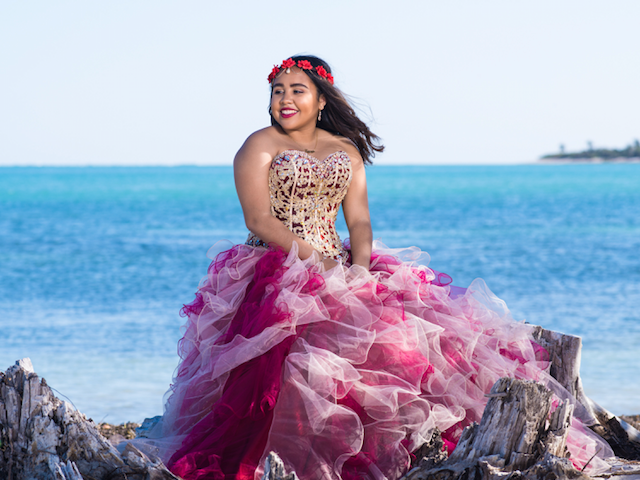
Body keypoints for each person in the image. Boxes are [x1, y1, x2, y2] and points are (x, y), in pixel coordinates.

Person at [145, 55, 611, 480]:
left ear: (321, 99)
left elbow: (360, 221)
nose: (285, 99)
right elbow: (258, 218)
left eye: (297, 90)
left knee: (402, 356)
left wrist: (359, 271)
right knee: (283, 374)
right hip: (275, 268)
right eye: (278, 90)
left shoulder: (344, 151)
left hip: (343, 269)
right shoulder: (259, 145)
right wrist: (317, 260)